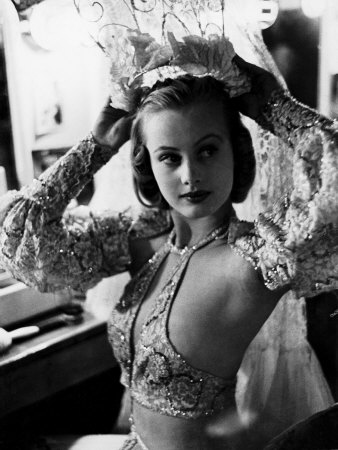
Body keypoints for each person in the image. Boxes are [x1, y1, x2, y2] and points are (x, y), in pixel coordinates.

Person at [1, 37, 338, 450]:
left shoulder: (252, 258)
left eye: (208, 150)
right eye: (169, 157)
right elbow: (22, 235)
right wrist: (96, 146)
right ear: (147, 164)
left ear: (237, 150)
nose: (190, 175)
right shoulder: (144, 238)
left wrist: (272, 105)